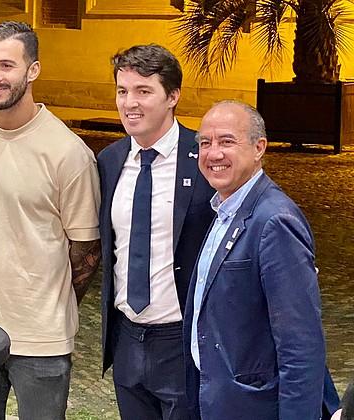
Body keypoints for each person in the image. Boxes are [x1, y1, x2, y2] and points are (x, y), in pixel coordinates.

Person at [0, 21, 101, 420]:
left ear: (33, 70)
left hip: (42, 340)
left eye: (7, 66)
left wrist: (49, 305)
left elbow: (85, 253)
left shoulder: (69, 154)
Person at [183, 100, 327, 419]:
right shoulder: (224, 210)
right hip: (215, 401)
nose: (213, 153)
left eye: (227, 141)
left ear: (259, 147)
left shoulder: (274, 221)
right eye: (205, 143)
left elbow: (301, 345)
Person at [96, 44, 215, 420]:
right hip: (128, 338)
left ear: (173, 96)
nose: (130, 103)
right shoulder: (109, 161)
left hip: (183, 340)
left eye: (143, 91)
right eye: (122, 91)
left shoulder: (205, 159)